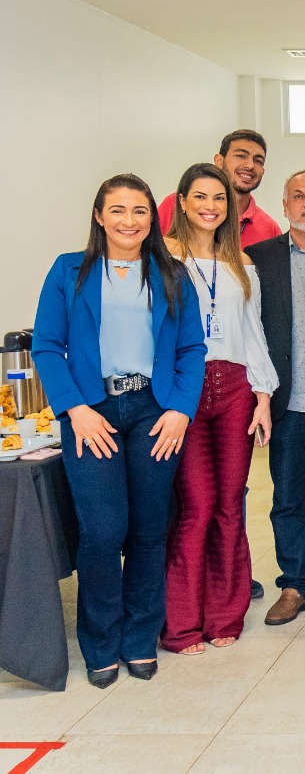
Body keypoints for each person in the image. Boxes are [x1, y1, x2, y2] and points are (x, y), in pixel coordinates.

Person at [33, 174, 207, 688]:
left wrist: (180, 410)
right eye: (118, 210)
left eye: (140, 211)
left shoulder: (172, 273)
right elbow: (47, 345)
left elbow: (191, 349)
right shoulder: (69, 271)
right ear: (99, 216)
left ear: (153, 218)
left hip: (155, 414)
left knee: (150, 531)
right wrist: (75, 409)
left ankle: (138, 640)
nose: (129, 221)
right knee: (103, 533)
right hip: (93, 414)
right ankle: (101, 643)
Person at [161, 163, 277, 654]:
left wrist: (264, 398)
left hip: (235, 389)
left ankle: (226, 615)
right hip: (182, 391)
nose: (210, 206)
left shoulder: (241, 267)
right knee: (196, 506)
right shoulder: (162, 262)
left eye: (220, 199)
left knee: (231, 504)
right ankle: (182, 624)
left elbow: (253, 336)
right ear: (182, 202)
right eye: (201, 197)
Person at [245, 170, 305, 626]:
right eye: (298, 196)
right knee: (288, 496)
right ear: (283, 204)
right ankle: (295, 583)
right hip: (290, 399)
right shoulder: (256, 259)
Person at [157, 129, 281, 247]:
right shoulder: (174, 204)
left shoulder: (270, 228)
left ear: (263, 171)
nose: (250, 165)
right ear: (219, 161)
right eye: (241, 156)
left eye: (258, 161)